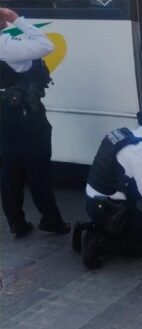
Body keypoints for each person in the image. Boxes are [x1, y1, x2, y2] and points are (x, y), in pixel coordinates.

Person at [75, 113, 142, 269]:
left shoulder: (125, 134)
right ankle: (99, 244)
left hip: (95, 202)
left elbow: (134, 172)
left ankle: (90, 231)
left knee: (139, 232)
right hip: (111, 211)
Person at [0, 7, 71, 238]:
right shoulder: (7, 46)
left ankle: (16, 222)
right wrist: (17, 19)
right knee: (38, 168)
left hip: (3, 117)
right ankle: (51, 219)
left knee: (10, 169)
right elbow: (46, 44)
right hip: (25, 115)